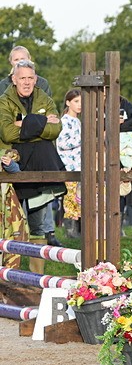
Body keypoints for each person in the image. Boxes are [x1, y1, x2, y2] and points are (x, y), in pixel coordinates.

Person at [0, 59, 66, 248]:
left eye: (30, 78)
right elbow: (7, 132)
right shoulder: (4, 101)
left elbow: (55, 130)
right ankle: (10, 262)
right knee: (13, 219)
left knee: (38, 220)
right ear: (14, 79)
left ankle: (36, 269)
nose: (27, 82)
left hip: (40, 164)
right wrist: (42, 121)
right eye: (22, 78)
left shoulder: (45, 98)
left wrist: (24, 123)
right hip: (14, 161)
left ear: (35, 79)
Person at [56, 89, 83, 233]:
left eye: (81, 101)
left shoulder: (77, 121)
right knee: (70, 198)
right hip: (68, 165)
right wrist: (83, 139)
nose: (80, 105)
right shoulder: (64, 121)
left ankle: (77, 229)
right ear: (68, 103)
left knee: (79, 197)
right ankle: (70, 230)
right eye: (76, 101)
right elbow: (62, 143)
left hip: (79, 165)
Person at [0, 148, 29, 269]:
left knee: (9, 244)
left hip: (7, 215)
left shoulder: (4, 154)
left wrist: (9, 164)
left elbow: (16, 171)